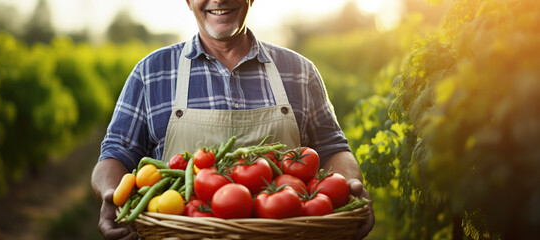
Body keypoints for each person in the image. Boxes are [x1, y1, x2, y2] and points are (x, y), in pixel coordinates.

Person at [91, 0, 375, 239]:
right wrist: (111, 194)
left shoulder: (300, 72)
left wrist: (350, 187)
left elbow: (332, 148)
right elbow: (116, 153)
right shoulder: (151, 73)